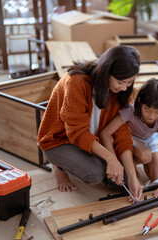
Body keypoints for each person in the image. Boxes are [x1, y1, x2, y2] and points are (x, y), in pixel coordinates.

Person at [37, 45, 142, 202]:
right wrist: (110, 159)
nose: (125, 87)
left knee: (126, 179)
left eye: (130, 82)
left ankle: (111, 168)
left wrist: (133, 176)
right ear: (107, 72)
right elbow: (77, 133)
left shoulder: (122, 92)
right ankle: (58, 167)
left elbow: (122, 133)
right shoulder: (76, 82)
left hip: (92, 140)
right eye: (121, 81)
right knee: (95, 173)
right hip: (60, 141)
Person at [100, 78, 158, 198]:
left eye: (157, 112)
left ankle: (134, 161)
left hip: (150, 140)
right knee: (145, 155)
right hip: (131, 139)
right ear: (140, 101)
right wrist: (113, 160)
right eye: (147, 110)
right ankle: (131, 161)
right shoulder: (131, 110)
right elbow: (105, 133)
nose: (151, 116)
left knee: (157, 177)